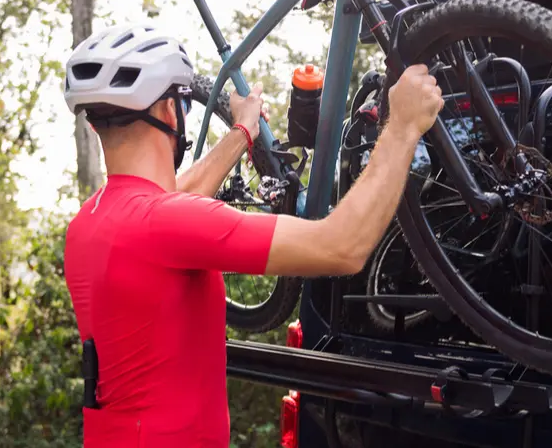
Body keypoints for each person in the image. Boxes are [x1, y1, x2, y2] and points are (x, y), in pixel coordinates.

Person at [61, 24, 443, 447]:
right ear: (171, 112)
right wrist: (403, 126)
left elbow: (168, 201)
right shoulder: (165, 223)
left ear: (96, 126)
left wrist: (242, 132)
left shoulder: (89, 223)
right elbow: (343, 246)